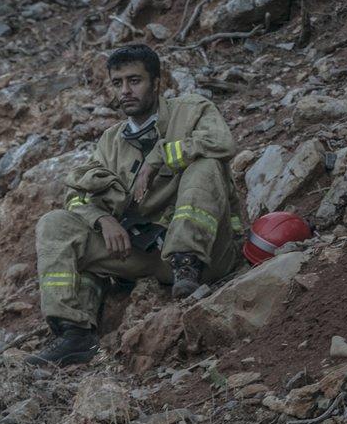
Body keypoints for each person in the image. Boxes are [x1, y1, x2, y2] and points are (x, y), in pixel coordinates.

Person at [26, 44, 243, 367]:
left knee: (205, 165)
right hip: (146, 255)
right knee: (55, 223)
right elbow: (76, 195)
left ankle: (187, 262)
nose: (125, 91)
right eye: (117, 83)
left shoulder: (192, 109)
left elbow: (222, 143)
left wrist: (159, 157)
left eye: (134, 80)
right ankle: (75, 334)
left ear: (157, 82)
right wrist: (103, 219)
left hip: (208, 254)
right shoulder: (111, 140)